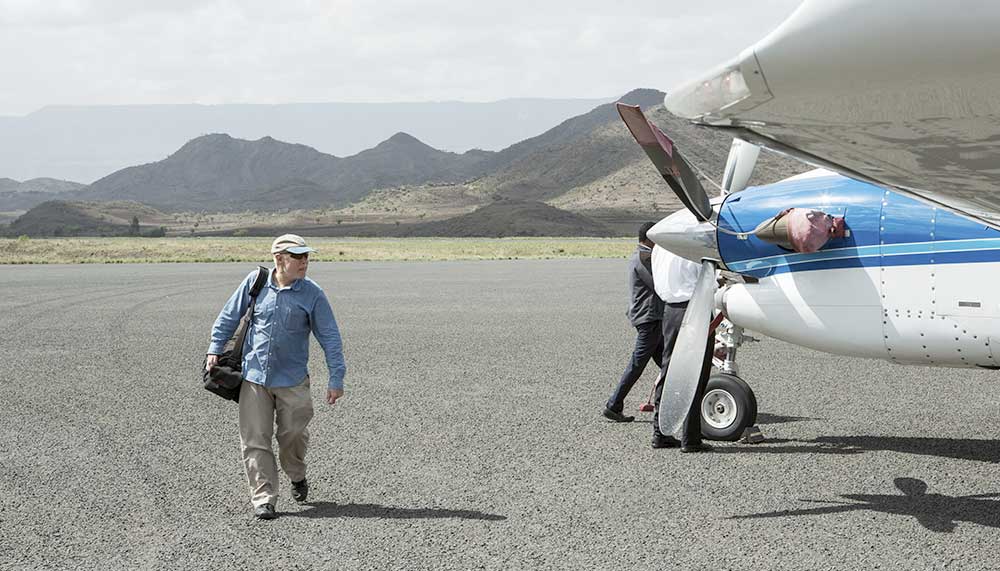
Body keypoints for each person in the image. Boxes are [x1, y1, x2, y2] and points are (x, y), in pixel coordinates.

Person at [206, 233, 347, 520]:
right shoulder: (255, 282)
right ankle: (264, 497)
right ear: (279, 259)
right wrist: (214, 348)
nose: (305, 262)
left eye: (307, 256)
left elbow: (330, 337)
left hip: (293, 381)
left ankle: (296, 474)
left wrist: (336, 378)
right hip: (254, 378)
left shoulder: (312, 293)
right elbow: (229, 316)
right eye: (299, 257)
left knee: (292, 436)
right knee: (255, 439)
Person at [649, 245, 713, 453]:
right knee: (696, 373)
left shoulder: (660, 246)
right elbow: (706, 277)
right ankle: (691, 438)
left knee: (668, 371)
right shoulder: (695, 245)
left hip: (670, 310)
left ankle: (660, 432)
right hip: (695, 309)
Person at [603, 222, 664, 422]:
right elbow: (658, 284)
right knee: (638, 364)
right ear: (650, 238)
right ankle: (613, 404)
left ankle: (675, 404)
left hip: (650, 317)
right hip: (649, 318)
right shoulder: (644, 257)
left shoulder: (640, 255)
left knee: (668, 364)